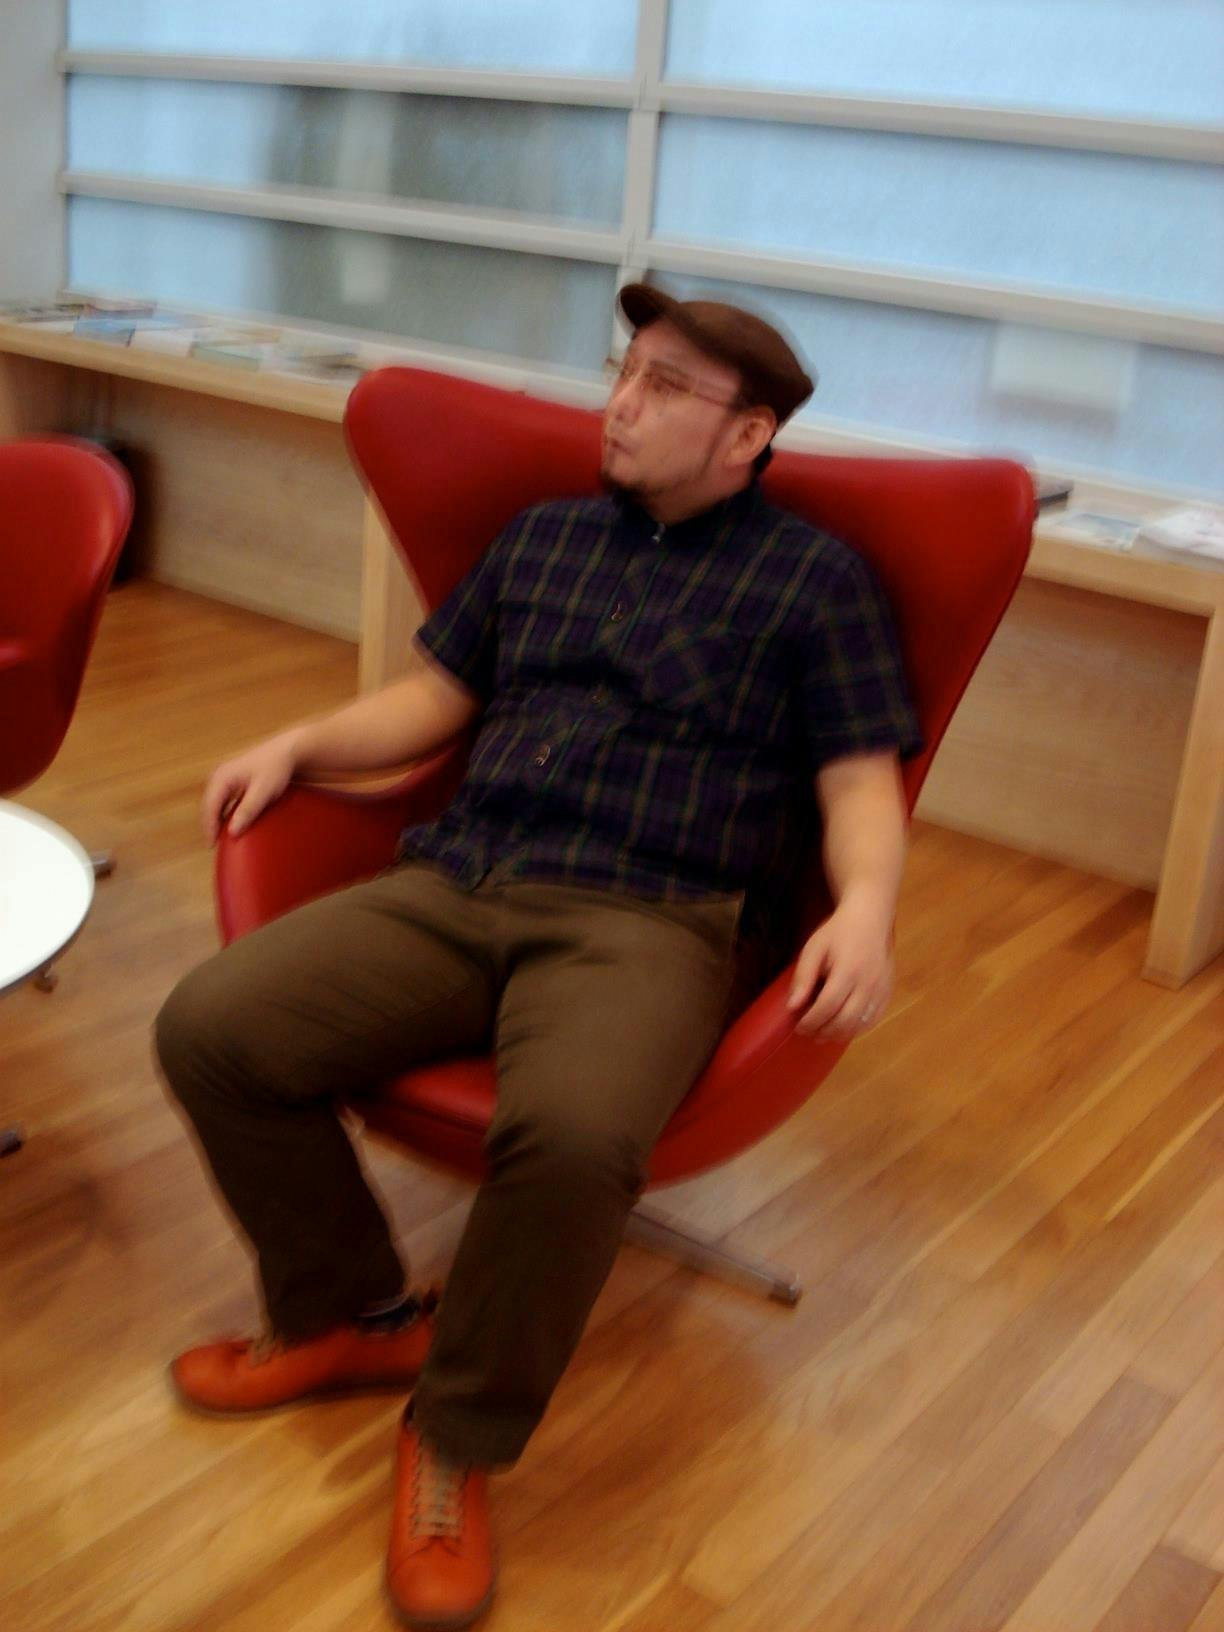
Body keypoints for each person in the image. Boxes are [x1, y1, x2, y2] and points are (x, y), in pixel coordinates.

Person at [155, 283, 922, 1629]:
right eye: (623, 372)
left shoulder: (816, 583)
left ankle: (455, 1435)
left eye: (664, 389)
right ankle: (348, 1314)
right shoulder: (546, 537)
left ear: (748, 435)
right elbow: (435, 697)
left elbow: (860, 780)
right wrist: (299, 744)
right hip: (464, 875)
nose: (619, 405)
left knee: (572, 1138)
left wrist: (865, 909)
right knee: (212, 1028)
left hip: (654, 915)